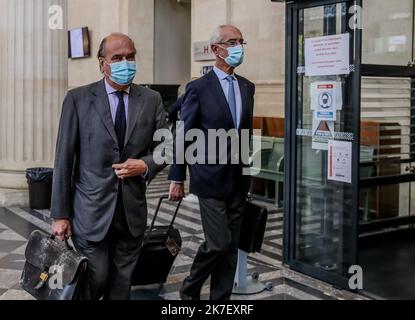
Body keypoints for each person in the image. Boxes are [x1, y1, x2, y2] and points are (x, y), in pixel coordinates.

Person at [50, 33, 169, 300]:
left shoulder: (151, 100)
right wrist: (60, 215)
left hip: (131, 213)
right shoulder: (78, 99)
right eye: (117, 58)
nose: (125, 62)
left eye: (130, 56)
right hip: (90, 212)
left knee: (121, 283)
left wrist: (145, 164)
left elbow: (168, 148)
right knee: (95, 278)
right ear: (102, 63)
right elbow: (63, 159)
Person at [168, 25, 255, 300]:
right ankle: (190, 287)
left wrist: (250, 173)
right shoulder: (198, 88)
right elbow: (185, 135)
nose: (238, 46)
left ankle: (220, 301)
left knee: (230, 248)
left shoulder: (247, 86)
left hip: (239, 180)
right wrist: (177, 177)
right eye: (232, 42)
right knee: (219, 243)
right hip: (209, 178)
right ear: (216, 49)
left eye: (241, 41)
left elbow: (246, 134)